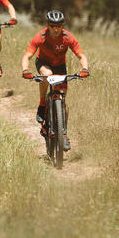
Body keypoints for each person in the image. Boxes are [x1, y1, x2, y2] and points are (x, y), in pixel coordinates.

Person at [21, 9, 89, 151]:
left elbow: (81, 55)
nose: (56, 29)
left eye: (59, 25)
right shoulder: (40, 36)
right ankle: (42, 104)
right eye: (52, 25)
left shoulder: (68, 37)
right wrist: (25, 70)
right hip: (44, 63)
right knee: (48, 74)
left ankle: (63, 133)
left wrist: (85, 69)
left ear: (62, 26)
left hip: (60, 66)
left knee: (62, 98)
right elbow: (27, 56)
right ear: (48, 25)